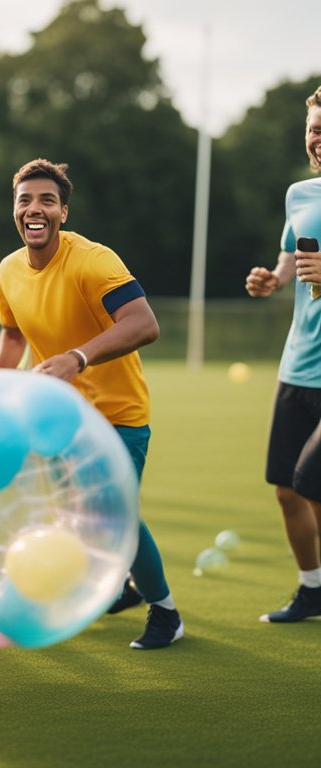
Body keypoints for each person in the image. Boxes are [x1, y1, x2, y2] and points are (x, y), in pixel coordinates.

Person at [0, 157, 182, 650]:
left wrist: (77, 358)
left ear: (64, 213)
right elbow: (12, 334)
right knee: (74, 510)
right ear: (14, 210)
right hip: (58, 418)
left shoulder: (94, 260)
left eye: (47, 201)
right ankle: (117, 588)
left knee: (111, 511)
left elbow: (144, 325)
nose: (35, 209)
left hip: (118, 415)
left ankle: (165, 611)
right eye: (25, 200)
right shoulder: (9, 269)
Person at [243, 84, 321, 623]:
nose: (320, 139)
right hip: (298, 365)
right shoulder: (299, 193)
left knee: (313, 481)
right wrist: (273, 278)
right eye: (316, 129)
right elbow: (291, 255)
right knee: (287, 490)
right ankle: (312, 589)